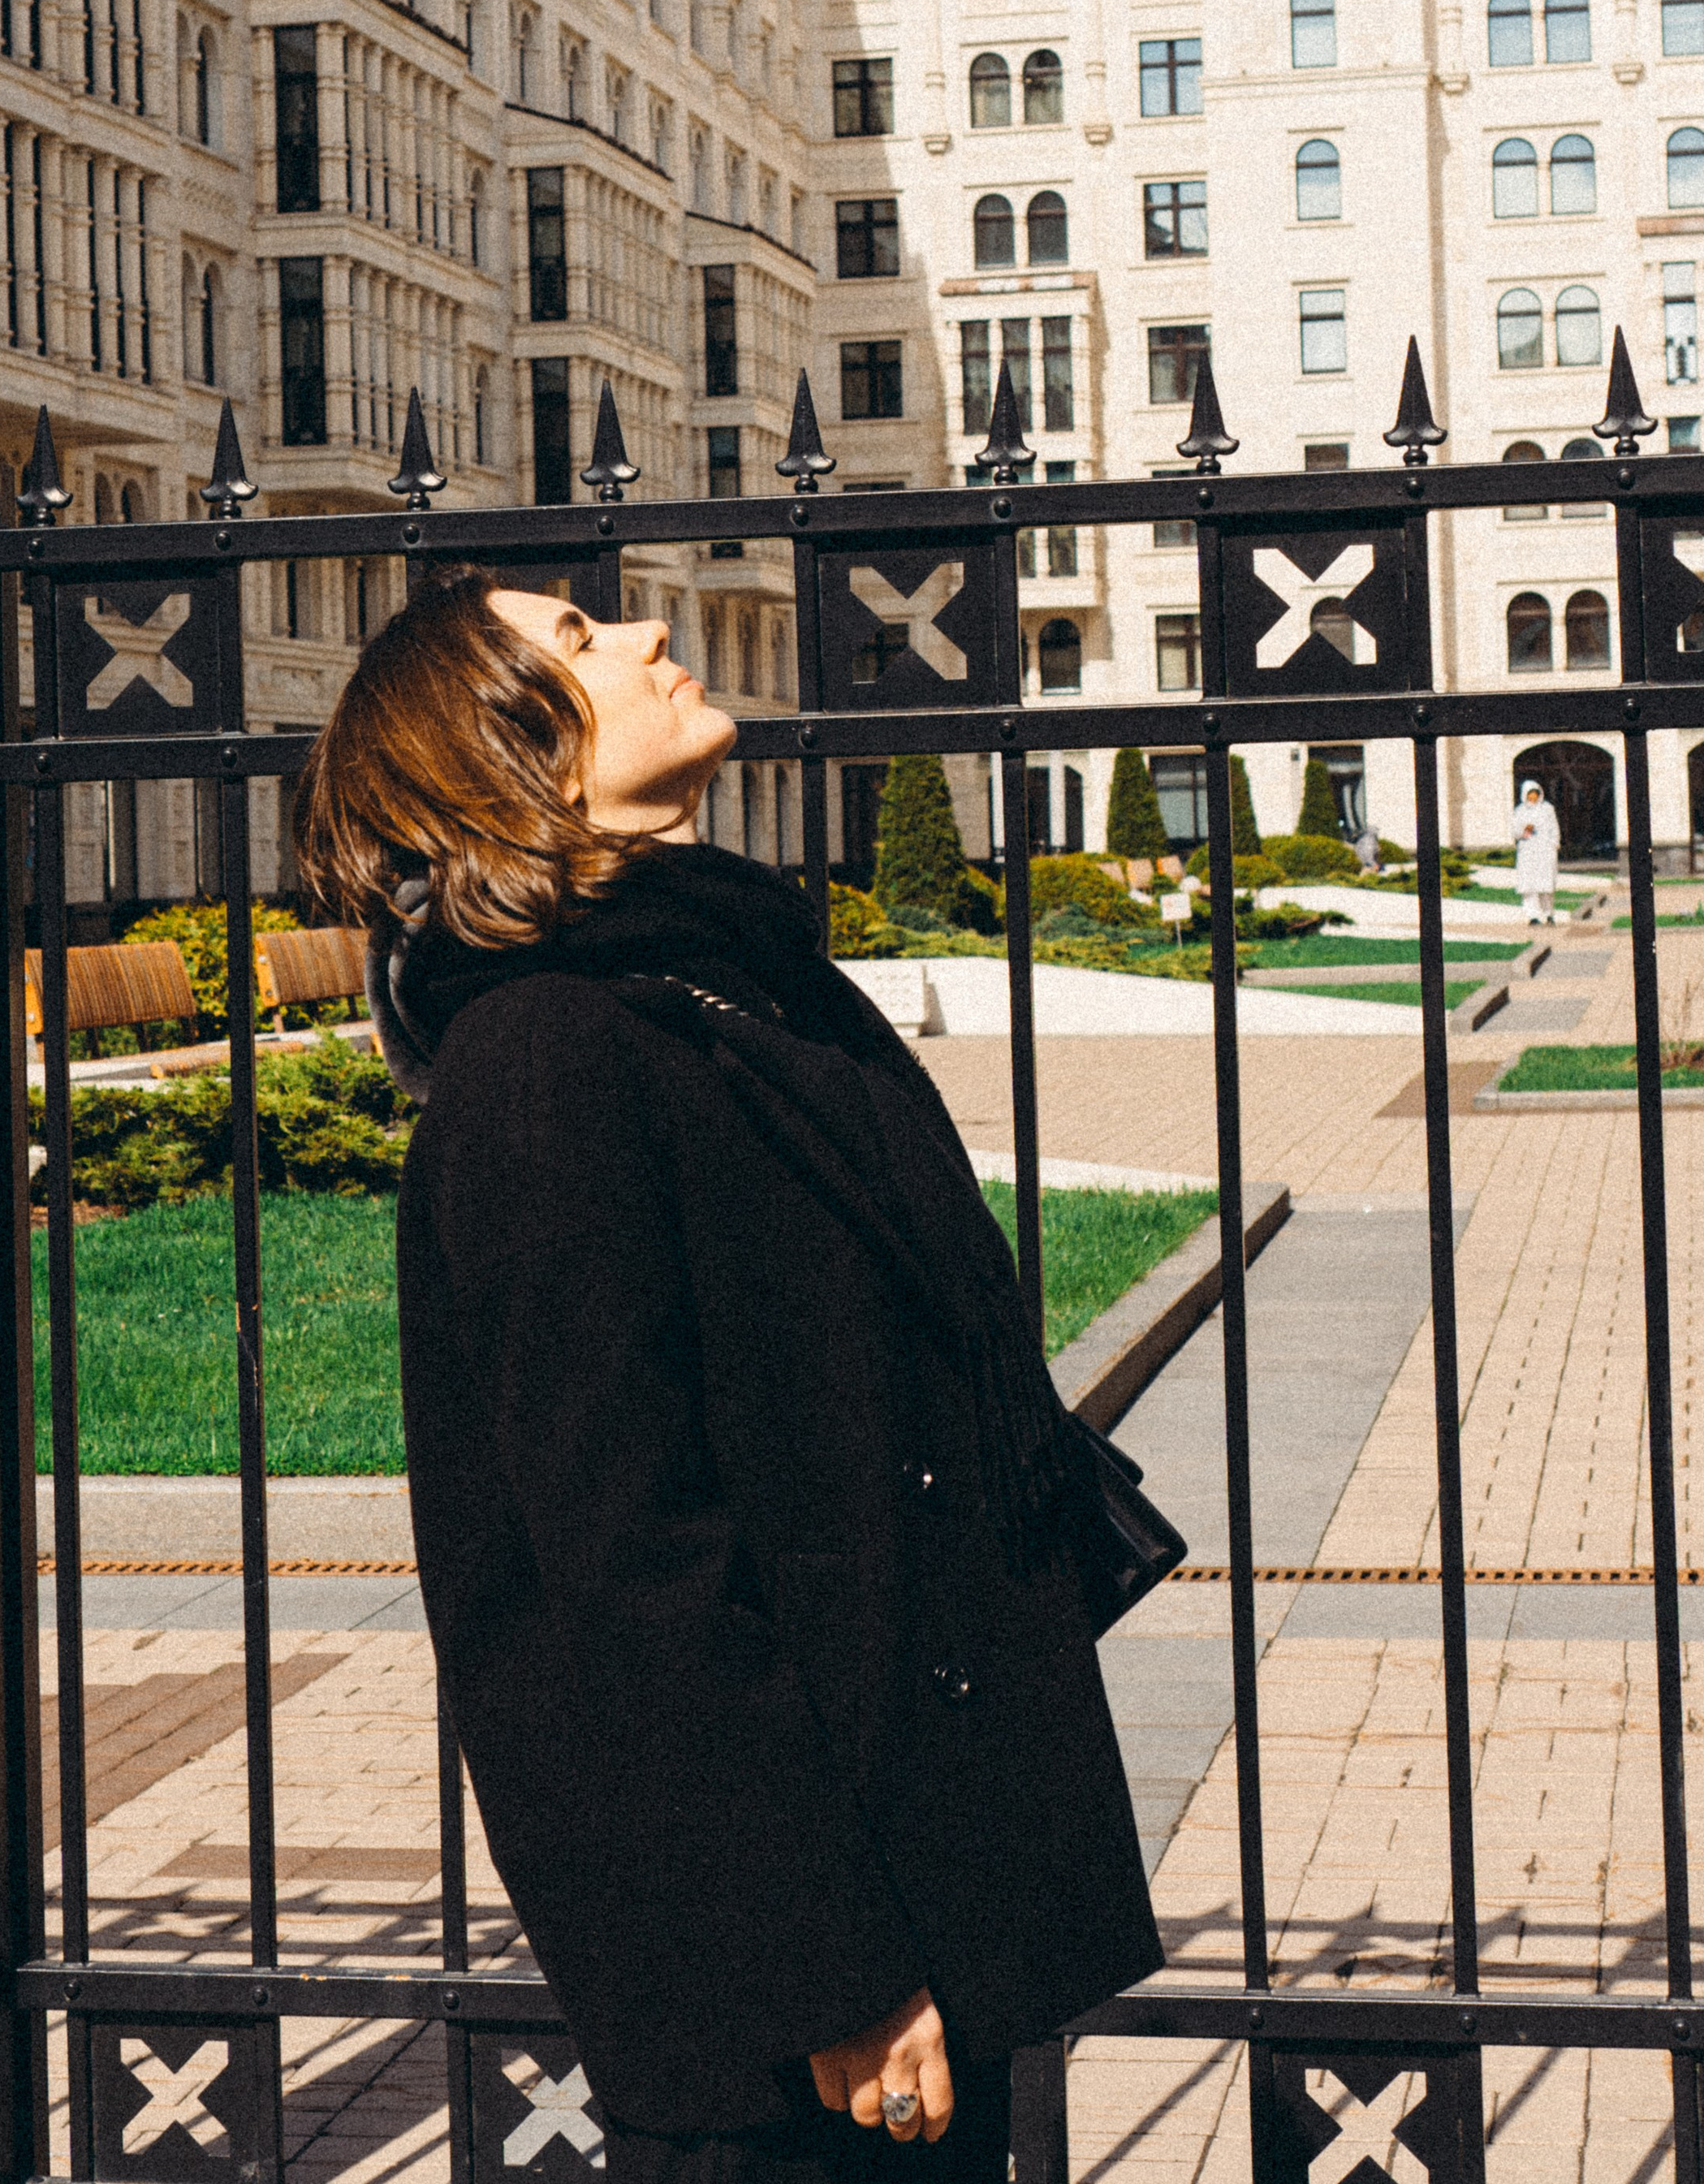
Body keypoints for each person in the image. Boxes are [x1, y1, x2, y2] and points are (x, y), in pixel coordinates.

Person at [296, 566, 1161, 2184]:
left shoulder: (718, 983)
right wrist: (827, 1966)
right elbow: (628, 1569)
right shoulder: (545, 1059)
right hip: (785, 1967)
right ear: (508, 756)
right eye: (572, 641)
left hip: (901, 1845)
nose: (639, 635)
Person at [1512, 777, 1561, 923]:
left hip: (1545, 850)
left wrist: (1554, 844)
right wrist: (1524, 830)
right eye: (1530, 793)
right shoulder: (1520, 811)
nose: (1532, 796)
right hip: (1528, 851)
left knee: (1546, 885)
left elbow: (1554, 828)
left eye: (1535, 793)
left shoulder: (1547, 809)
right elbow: (1514, 831)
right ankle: (1532, 915)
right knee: (1530, 886)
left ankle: (1549, 914)